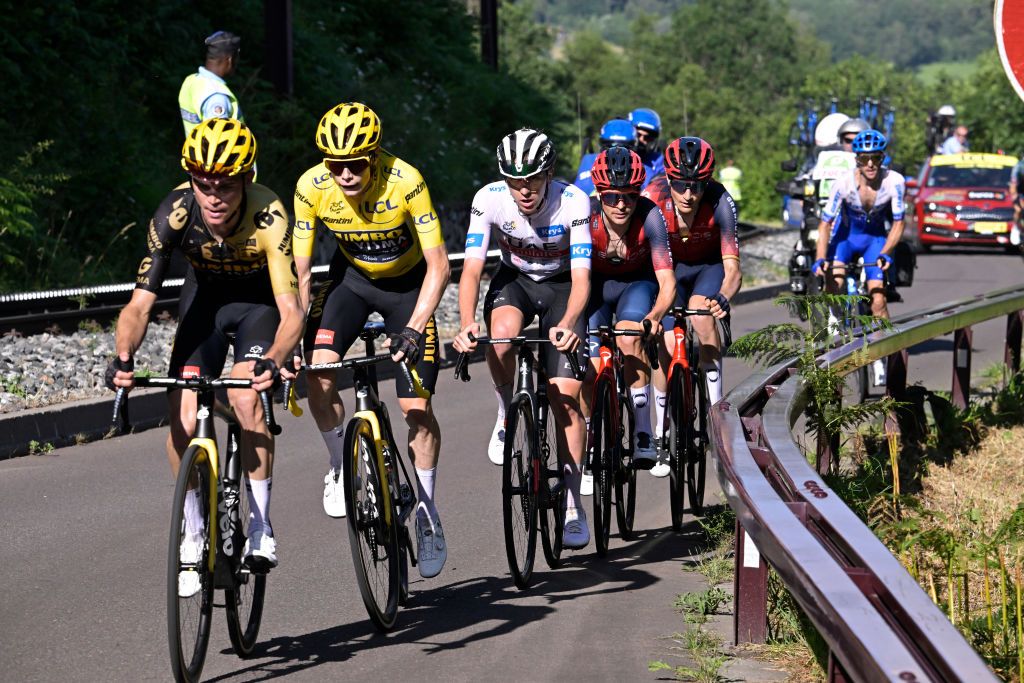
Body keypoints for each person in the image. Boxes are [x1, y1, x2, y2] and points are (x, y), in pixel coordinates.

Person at [107, 119, 304, 591]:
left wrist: (274, 359)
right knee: (183, 410)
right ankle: (192, 531)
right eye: (204, 184)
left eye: (227, 186)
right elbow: (138, 305)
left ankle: (259, 525)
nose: (214, 197)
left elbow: (291, 311)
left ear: (247, 179)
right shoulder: (174, 212)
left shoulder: (270, 214)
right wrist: (124, 356)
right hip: (204, 303)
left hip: (258, 305)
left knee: (244, 398)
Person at [291, 102, 451, 578]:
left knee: (416, 410)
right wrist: (292, 335)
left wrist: (415, 327)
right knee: (318, 372)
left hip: (408, 288)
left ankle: (425, 513)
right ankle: (340, 463)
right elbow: (300, 270)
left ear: (374, 156)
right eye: (334, 164)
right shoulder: (311, 186)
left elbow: (439, 266)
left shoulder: (406, 180)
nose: (343, 174)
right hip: (351, 284)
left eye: (355, 164)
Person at [453, 128, 593, 549]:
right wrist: (464, 323)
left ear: (548, 173)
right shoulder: (489, 199)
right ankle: (504, 414)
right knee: (501, 338)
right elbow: (473, 269)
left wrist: (569, 322)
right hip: (514, 281)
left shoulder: (573, 202)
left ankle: (572, 505)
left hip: (563, 285)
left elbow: (584, 278)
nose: (524, 190)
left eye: (532, 179)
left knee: (565, 396)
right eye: (515, 182)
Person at [642, 137, 741, 477]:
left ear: (706, 182)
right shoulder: (652, 199)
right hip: (667, 272)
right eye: (681, 185)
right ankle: (660, 432)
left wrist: (723, 298)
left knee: (701, 316)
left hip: (706, 269)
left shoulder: (720, 201)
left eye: (697, 185)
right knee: (665, 345)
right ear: (669, 180)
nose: (689, 194)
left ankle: (716, 414)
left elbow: (732, 269)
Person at [583, 147, 675, 471]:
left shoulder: (650, 216)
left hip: (637, 285)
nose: (622, 204)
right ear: (599, 194)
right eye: (612, 197)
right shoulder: (585, 216)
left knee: (628, 337)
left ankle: (643, 431)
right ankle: (591, 438)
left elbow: (667, 281)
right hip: (594, 287)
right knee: (589, 362)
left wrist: (654, 317)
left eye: (630, 196)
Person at [812, 130, 905, 385]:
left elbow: (898, 224)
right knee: (835, 283)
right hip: (845, 238)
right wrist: (821, 258)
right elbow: (825, 224)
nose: (871, 164)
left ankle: (881, 353)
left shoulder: (894, 180)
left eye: (876, 158)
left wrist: (886, 252)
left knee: (878, 299)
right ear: (857, 160)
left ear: (883, 157)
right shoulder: (842, 183)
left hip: (874, 240)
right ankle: (833, 324)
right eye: (865, 159)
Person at [178, 31, 244, 137]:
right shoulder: (217, 96)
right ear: (230, 60)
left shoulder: (192, 81)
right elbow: (218, 144)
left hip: (194, 152)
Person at [574, 118, 638, 196]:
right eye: (610, 146)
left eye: (624, 148)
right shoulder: (588, 160)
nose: (616, 152)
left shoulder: (640, 167)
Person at [628, 107, 665, 179]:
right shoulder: (605, 158)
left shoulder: (657, 161)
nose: (641, 140)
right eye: (638, 135)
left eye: (647, 137)